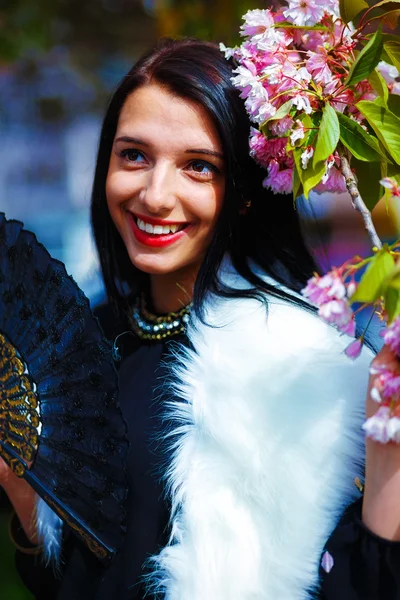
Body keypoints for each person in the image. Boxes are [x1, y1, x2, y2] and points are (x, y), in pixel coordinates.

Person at [3, 37, 400, 600]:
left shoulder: (299, 368)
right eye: (133, 155)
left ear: (242, 191)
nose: (155, 195)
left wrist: (388, 465)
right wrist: (25, 501)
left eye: (198, 167)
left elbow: (357, 587)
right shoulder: (75, 341)